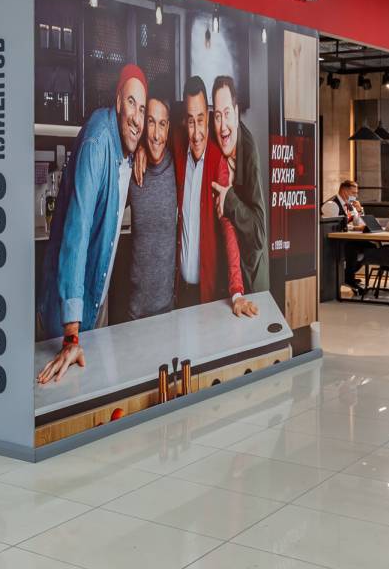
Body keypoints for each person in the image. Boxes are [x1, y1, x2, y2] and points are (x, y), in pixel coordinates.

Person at [37, 65, 147, 384]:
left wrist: (139, 148)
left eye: (142, 109)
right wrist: (71, 336)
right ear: (118, 102)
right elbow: (78, 229)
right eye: (131, 103)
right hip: (64, 319)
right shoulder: (97, 142)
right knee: (60, 396)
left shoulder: (124, 147)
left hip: (93, 305)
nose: (137, 117)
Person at [172, 76, 256, 316]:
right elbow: (155, 136)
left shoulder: (218, 161)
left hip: (206, 296)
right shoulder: (178, 147)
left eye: (200, 120)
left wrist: (237, 292)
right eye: (190, 121)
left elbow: (229, 228)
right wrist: (141, 151)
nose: (196, 132)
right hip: (178, 293)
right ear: (184, 121)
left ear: (208, 118)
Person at [209, 75, 267, 308]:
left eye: (227, 114)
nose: (223, 125)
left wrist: (229, 199)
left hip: (253, 281)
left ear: (236, 112)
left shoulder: (249, 153)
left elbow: (260, 234)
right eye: (217, 116)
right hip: (228, 283)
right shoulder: (216, 138)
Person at [124, 96, 177, 320]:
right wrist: (138, 149)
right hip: (133, 311)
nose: (156, 134)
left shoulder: (178, 168)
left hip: (169, 309)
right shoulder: (132, 169)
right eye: (151, 122)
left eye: (162, 124)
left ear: (168, 128)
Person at [321, 179, 368, 295]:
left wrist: (360, 210)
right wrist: (355, 228)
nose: (356, 196)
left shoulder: (350, 205)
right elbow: (333, 227)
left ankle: (348, 275)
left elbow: (359, 223)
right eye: (353, 193)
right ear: (344, 191)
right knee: (353, 248)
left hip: (348, 238)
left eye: (356, 193)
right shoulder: (332, 205)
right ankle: (348, 278)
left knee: (368, 246)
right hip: (333, 242)